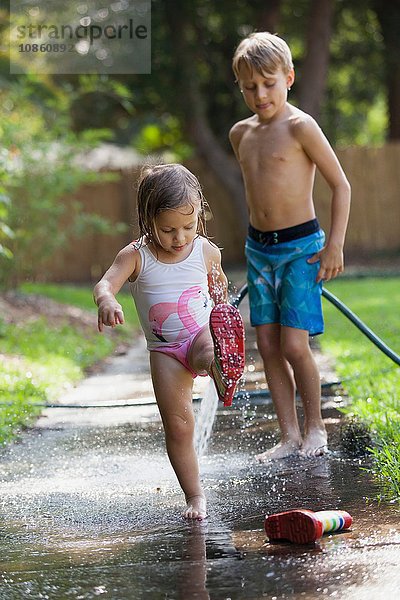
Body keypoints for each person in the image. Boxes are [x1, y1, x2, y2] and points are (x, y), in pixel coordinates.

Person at [93, 163, 245, 519]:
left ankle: (222, 365)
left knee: (210, 344)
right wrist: (107, 301)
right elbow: (105, 283)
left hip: (198, 334)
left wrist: (222, 311)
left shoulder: (205, 251)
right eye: (168, 229)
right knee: (178, 427)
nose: (180, 237)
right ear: (148, 220)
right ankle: (195, 496)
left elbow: (218, 289)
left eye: (188, 227)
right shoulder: (135, 255)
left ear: (200, 216)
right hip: (164, 352)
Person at [229, 32, 351, 461]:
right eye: (249, 87)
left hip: (301, 247)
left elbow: (341, 185)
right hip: (259, 250)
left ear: (289, 78)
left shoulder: (301, 127)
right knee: (266, 345)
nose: (260, 94)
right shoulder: (239, 134)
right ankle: (289, 436)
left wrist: (334, 244)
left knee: (295, 346)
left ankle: (315, 427)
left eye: (269, 83)